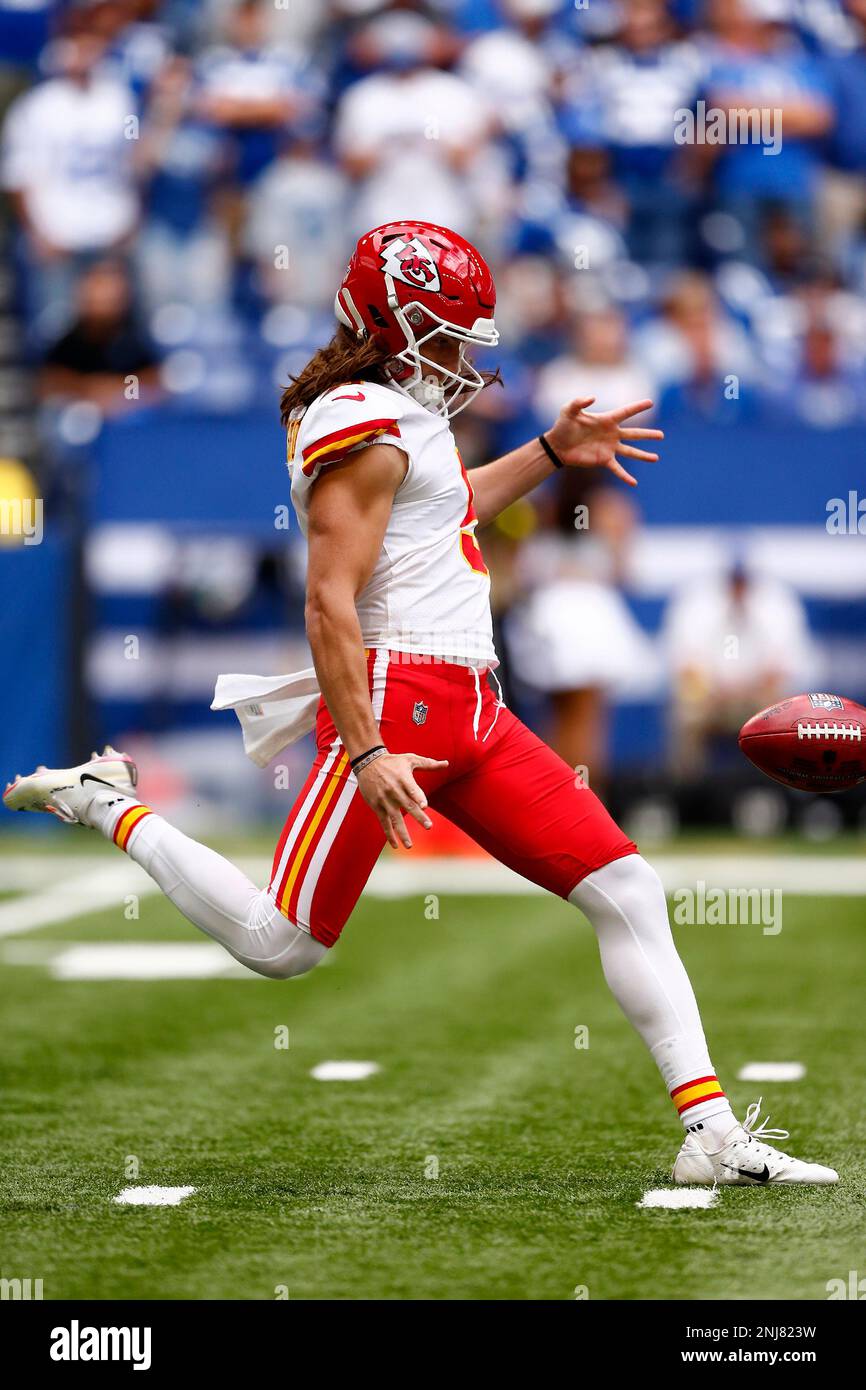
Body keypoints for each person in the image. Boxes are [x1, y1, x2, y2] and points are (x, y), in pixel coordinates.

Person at [4, 220, 837, 1187]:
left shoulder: (400, 410)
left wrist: (550, 451)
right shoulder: (358, 419)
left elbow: (447, 509)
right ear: (390, 324)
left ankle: (711, 1135)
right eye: (446, 333)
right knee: (284, 946)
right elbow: (328, 602)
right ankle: (111, 800)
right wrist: (364, 749)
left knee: (628, 888)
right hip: (398, 704)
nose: (462, 355)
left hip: (474, 705)